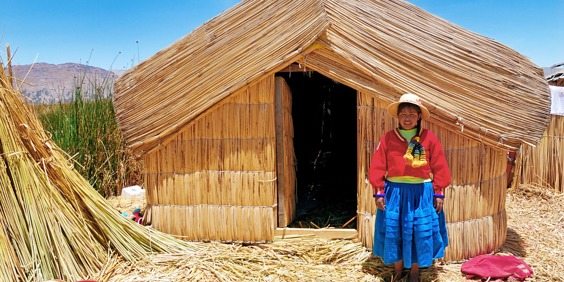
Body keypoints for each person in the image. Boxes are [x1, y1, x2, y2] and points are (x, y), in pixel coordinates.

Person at [369, 93, 450, 282]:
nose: (407, 118)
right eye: (403, 114)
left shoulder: (429, 138)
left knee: (418, 232)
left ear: (419, 116)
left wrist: (438, 192)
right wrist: (379, 191)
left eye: (412, 114)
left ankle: (414, 271)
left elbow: (439, 165)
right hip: (395, 192)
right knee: (394, 231)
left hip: (421, 194)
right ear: (398, 116)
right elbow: (378, 165)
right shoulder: (388, 138)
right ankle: (398, 271)